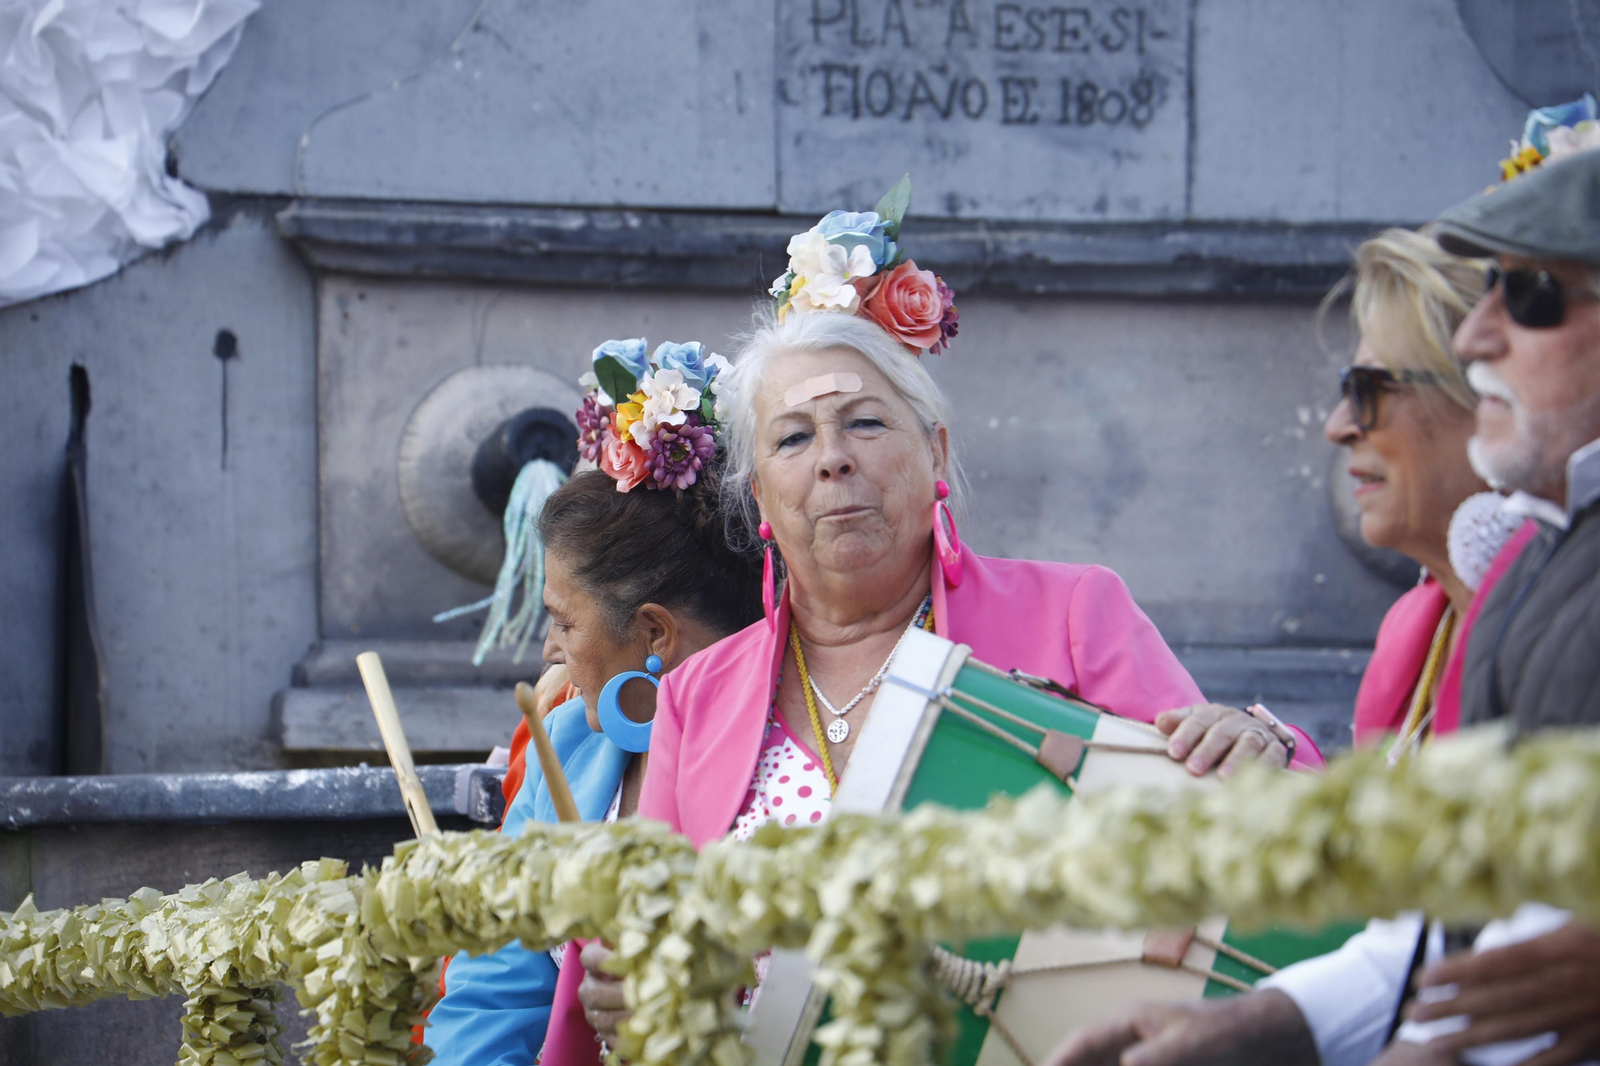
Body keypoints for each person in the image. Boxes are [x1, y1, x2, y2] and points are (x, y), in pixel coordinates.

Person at [574, 191, 1324, 1047]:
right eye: (791, 440)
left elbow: (1238, 827)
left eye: (864, 422)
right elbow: (633, 954)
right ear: (761, 505)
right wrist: (635, 989)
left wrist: (1254, 747)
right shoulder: (696, 697)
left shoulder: (1074, 612)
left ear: (933, 452)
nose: (834, 459)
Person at [1044, 101, 1600, 1066]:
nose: (1481, 335)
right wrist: (1231, 1032)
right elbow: (1439, 945)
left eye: (1538, 296)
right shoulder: (1539, 571)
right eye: (1487, 294)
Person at [426, 339, 760, 1066]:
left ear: (653, 632)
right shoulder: (568, 744)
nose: (549, 651)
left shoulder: (792, 756)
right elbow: (492, 994)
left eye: (563, 621)